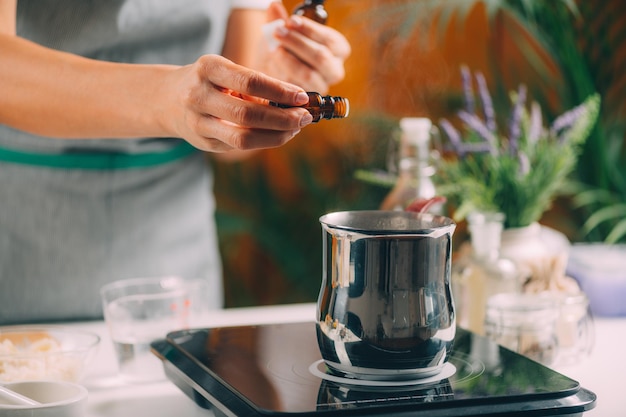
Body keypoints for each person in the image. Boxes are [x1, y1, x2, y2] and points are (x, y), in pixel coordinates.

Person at [0, 0, 351, 324]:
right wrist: (164, 98)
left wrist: (271, 85)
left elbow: (233, 132)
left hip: (172, 247)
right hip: (24, 232)